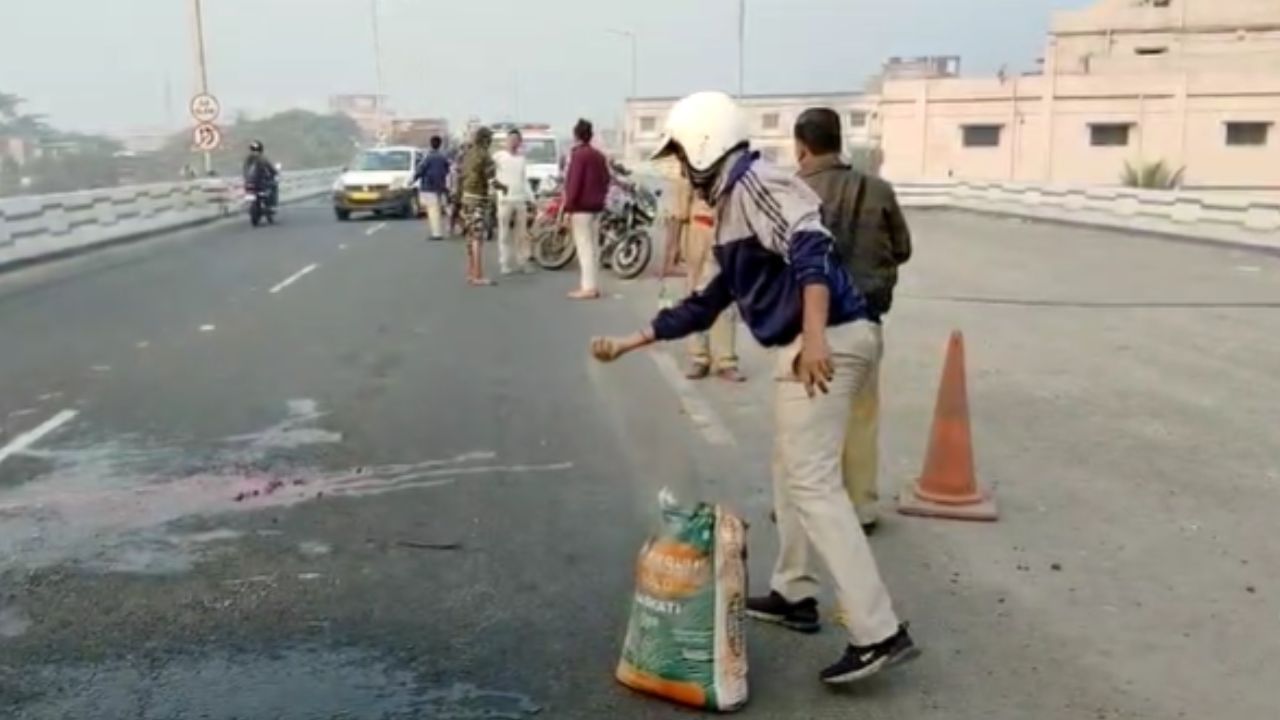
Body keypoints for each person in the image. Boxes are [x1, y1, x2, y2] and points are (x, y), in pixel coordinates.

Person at [589, 91, 917, 686]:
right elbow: (710, 300)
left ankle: (878, 631)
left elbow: (812, 245)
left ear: (705, 147)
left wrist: (815, 337)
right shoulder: (736, 200)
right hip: (823, 338)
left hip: (828, 340)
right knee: (791, 472)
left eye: (683, 157)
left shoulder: (756, 184)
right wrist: (631, 340)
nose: (682, 170)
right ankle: (794, 594)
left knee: (813, 483)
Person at [794, 108, 913, 532]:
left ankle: (807, 508)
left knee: (807, 423)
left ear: (801, 147)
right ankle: (861, 506)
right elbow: (902, 248)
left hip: (808, 328)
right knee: (861, 417)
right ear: (838, 141)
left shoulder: (792, 192)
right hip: (865, 322)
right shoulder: (878, 190)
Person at [667, 173, 743, 382]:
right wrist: (672, 249)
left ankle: (726, 361)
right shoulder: (689, 170)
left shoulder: (733, 169)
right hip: (698, 233)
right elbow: (678, 213)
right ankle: (699, 358)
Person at [561, 118, 611, 300]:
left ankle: (588, 288)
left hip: (581, 209)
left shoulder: (578, 155)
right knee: (593, 248)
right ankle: (592, 285)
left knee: (584, 248)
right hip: (597, 208)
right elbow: (607, 179)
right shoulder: (599, 156)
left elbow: (573, 184)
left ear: (576, 135)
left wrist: (568, 208)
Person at [458, 128, 506, 286]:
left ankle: (471, 272)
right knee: (478, 237)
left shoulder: (467, 155)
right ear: (486, 140)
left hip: (466, 197)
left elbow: (460, 176)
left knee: (470, 236)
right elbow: (492, 181)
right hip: (478, 199)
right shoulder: (485, 156)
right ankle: (478, 275)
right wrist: (504, 187)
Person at [493, 129, 535, 274]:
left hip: (520, 200)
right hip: (505, 200)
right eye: (510, 139)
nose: (513, 142)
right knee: (504, 233)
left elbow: (524, 180)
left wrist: (531, 198)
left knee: (521, 233)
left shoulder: (521, 159)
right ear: (506, 141)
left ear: (520, 142)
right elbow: (490, 176)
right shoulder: (498, 157)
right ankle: (504, 263)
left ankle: (522, 262)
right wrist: (498, 192)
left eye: (516, 139)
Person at [413, 135, 451, 241]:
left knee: (432, 210)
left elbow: (421, 170)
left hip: (429, 186)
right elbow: (448, 170)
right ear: (440, 144)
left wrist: (413, 179)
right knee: (437, 208)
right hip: (440, 186)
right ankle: (443, 229)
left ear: (431, 144)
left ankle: (436, 233)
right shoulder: (443, 157)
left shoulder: (428, 157)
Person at [242, 140, 278, 208]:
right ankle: (270, 204)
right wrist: (275, 173)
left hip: (249, 182)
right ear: (261, 149)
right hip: (260, 182)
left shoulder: (248, 158)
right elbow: (270, 167)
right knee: (272, 186)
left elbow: (245, 169)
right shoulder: (262, 157)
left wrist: (246, 177)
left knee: (249, 191)